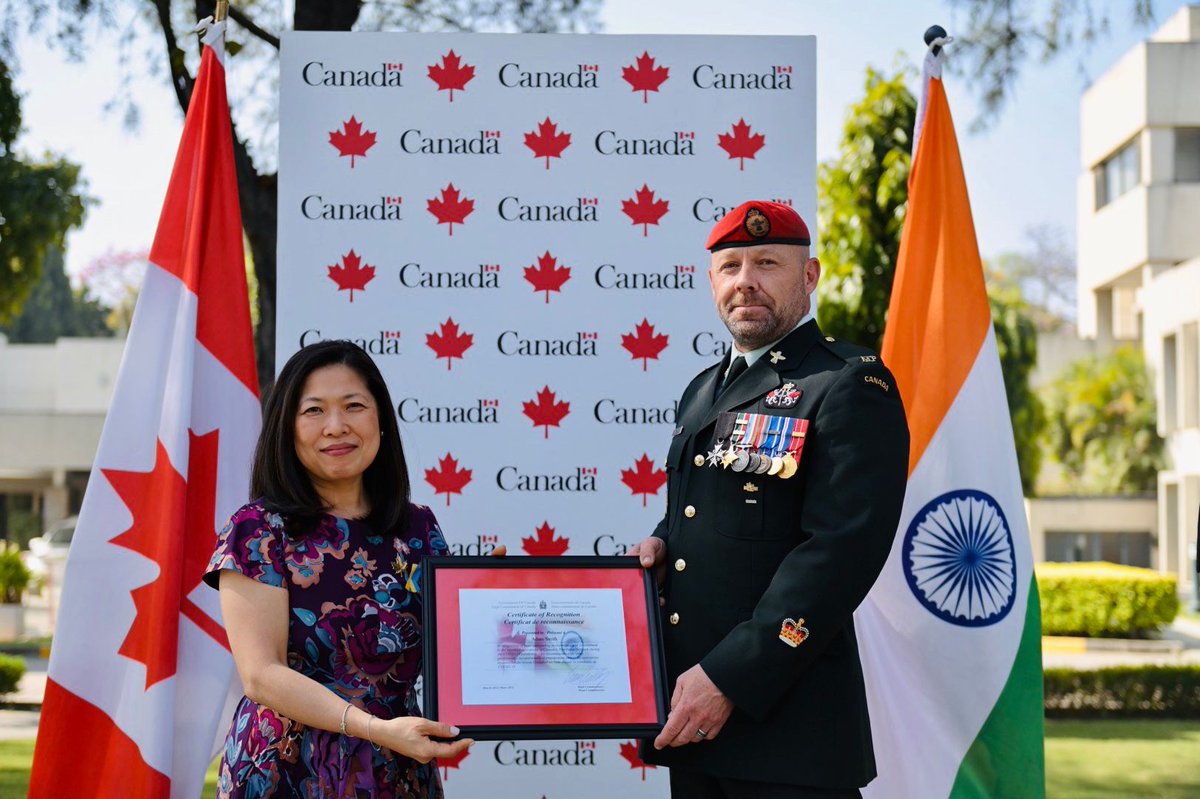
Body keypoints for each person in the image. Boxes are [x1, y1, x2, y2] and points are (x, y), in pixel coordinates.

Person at [632, 201, 910, 799]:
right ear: (711, 281)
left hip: (787, 734)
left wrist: (728, 678)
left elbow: (839, 555)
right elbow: (710, 512)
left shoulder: (848, 381)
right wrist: (662, 543)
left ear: (809, 277)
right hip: (692, 717)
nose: (745, 281)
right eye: (730, 266)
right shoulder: (702, 390)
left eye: (766, 263)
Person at [204, 340, 474, 798]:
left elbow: (446, 653)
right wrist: (374, 728)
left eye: (354, 406)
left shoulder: (418, 529)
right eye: (314, 410)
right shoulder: (258, 530)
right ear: (288, 428)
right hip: (285, 774)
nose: (336, 426)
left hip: (397, 773)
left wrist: (486, 598)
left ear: (381, 420)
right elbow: (261, 674)